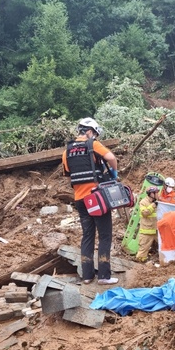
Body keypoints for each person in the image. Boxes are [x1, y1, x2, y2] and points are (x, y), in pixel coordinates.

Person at [62, 117, 119, 285]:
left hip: (80, 199)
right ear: (89, 131)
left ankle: (87, 276)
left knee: (87, 235)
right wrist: (114, 173)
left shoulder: (67, 151)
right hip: (97, 198)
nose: (95, 137)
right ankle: (104, 276)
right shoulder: (92, 144)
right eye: (94, 134)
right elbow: (111, 157)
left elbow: (68, 174)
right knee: (105, 235)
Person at [135, 186, 160, 262]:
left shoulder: (158, 201)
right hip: (147, 231)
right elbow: (144, 213)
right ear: (151, 194)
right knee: (142, 251)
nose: (157, 194)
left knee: (165, 246)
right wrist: (153, 205)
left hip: (156, 230)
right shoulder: (143, 202)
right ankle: (140, 266)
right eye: (156, 193)